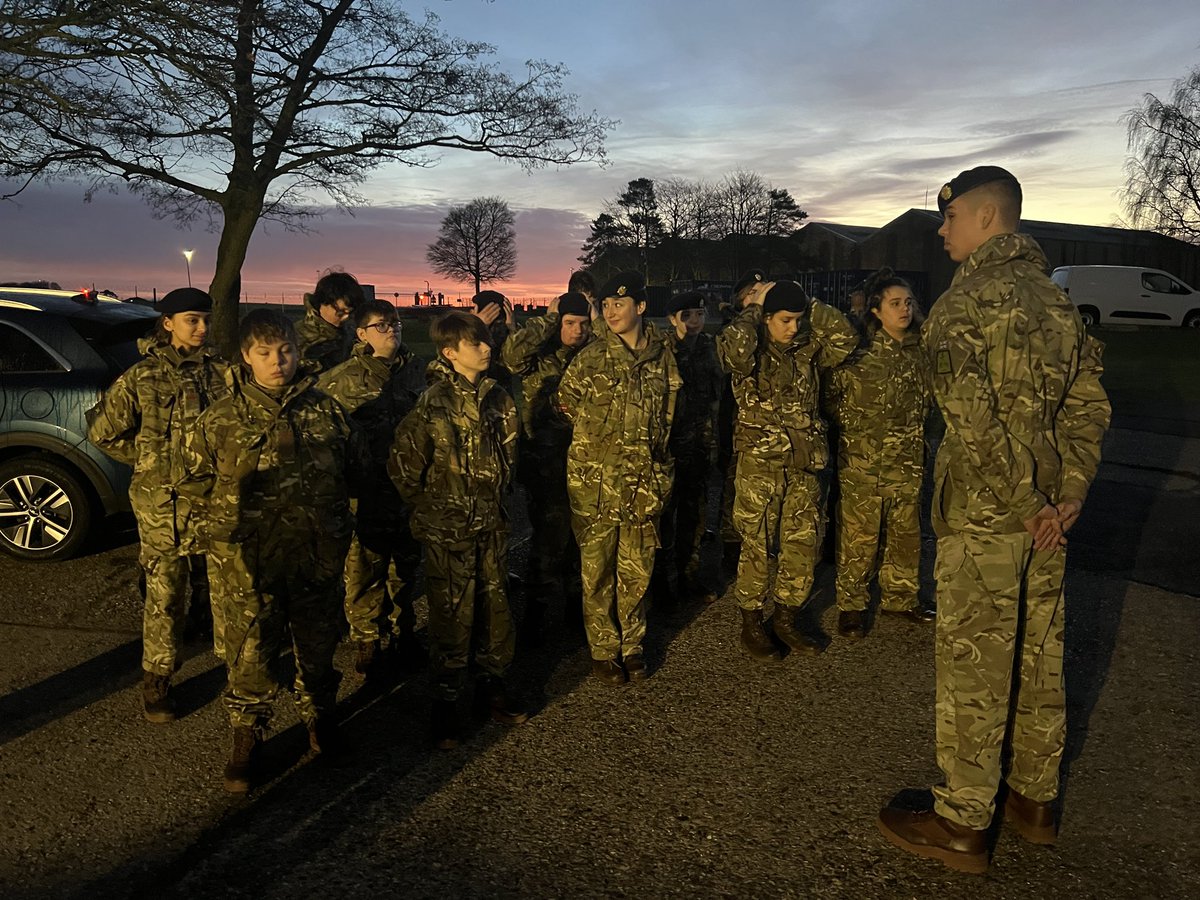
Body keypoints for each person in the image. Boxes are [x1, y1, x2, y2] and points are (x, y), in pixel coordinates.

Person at [876, 166, 1110, 874]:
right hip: (1046, 519)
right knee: (1039, 656)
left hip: (990, 518)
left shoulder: (961, 305)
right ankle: (1033, 802)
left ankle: (963, 820)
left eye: (948, 220)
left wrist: (1031, 505)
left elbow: (972, 425)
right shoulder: (1058, 304)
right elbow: (1089, 404)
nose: (943, 232)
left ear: (983, 218)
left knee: (976, 667)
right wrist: (1068, 493)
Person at [183, 309, 354, 793]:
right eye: (265, 353)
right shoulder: (220, 420)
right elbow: (191, 482)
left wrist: (340, 527)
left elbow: (357, 471)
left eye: (286, 351)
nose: (278, 362)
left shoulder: (325, 411)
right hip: (246, 563)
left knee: (317, 646)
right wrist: (223, 534)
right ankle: (247, 732)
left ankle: (321, 720)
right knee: (249, 652)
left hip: (315, 554)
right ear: (245, 356)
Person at [86, 287, 231, 723]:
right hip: (162, 507)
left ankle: (237, 672)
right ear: (167, 324)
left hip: (213, 501)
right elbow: (104, 432)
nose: (202, 328)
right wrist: (152, 460)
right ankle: (158, 679)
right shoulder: (142, 377)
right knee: (165, 596)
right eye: (192, 320)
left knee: (224, 590)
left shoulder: (222, 372)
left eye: (206, 319)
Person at [388, 311, 527, 749]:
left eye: (486, 340)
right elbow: (404, 470)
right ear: (450, 353)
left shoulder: (498, 399)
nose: (487, 348)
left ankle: (491, 688)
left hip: (491, 526)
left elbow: (509, 460)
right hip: (448, 532)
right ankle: (446, 704)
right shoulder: (431, 405)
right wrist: (437, 511)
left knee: (495, 609)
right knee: (451, 616)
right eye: (475, 343)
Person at [717, 279, 859, 662]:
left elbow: (846, 340)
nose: (793, 327)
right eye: (784, 319)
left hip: (803, 463)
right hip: (760, 464)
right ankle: (751, 621)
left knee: (802, 543)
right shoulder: (750, 350)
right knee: (757, 544)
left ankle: (786, 617)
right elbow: (733, 352)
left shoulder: (808, 349)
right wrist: (754, 307)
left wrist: (807, 301)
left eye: (797, 319)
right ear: (766, 319)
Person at [556, 271, 681, 685]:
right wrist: (598, 450)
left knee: (637, 568)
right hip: (596, 485)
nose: (610, 312)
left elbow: (669, 411)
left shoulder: (663, 354)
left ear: (641, 308)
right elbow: (566, 404)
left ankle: (633, 645)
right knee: (596, 571)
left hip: (643, 480)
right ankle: (603, 649)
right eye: (606, 304)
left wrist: (656, 462)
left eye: (619, 304)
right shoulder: (590, 358)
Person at [317, 300, 423, 678]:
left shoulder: (417, 374)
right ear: (361, 334)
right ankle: (367, 639)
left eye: (395, 323)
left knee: (405, 569)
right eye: (381, 325)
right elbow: (324, 439)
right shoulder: (340, 381)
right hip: (367, 493)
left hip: (408, 492)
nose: (392, 330)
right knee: (364, 570)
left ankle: (402, 631)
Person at [827, 268, 934, 640]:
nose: (904, 309)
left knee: (906, 534)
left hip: (907, 461)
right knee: (860, 536)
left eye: (908, 302)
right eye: (895, 303)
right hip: (864, 463)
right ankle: (852, 605)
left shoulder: (920, 350)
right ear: (876, 310)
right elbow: (831, 397)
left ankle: (901, 597)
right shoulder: (859, 352)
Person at [501, 290, 594, 644]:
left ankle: (575, 604)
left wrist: (595, 321)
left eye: (584, 324)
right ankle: (538, 610)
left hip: (585, 460)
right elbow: (511, 357)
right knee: (548, 537)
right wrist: (550, 320)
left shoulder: (593, 354)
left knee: (581, 536)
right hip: (546, 462)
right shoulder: (540, 355)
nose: (578, 331)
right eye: (570, 324)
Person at [654, 290, 723, 604]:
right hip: (669, 450)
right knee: (664, 520)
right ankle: (661, 583)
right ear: (672, 319)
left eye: (699, 314)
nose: (694, 321)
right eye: (687, 315)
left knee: (694, 517)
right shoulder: (662, 351)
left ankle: (688, 577)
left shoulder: (711, 348)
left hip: (699, 446)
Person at [716, 269, 772, 576]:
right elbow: (735, 353)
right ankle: (730, 546)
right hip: (737, 423)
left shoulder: (775, 327)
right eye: (753, 293)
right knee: (733, 487)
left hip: (768, 428)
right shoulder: (735, 328)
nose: (759, 299)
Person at [297, 270, 365, 373]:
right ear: (322, 303)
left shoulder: (354, 333)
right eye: (340, 313)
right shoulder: (296, 337)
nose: (345, 318)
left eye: (350, 313)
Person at [470, 290, 517, 394]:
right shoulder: (465, 333)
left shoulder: (504, 334)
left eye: (473, 308)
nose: (470, 312)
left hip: (500, 398)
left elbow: (516, 362)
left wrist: (512, 330)